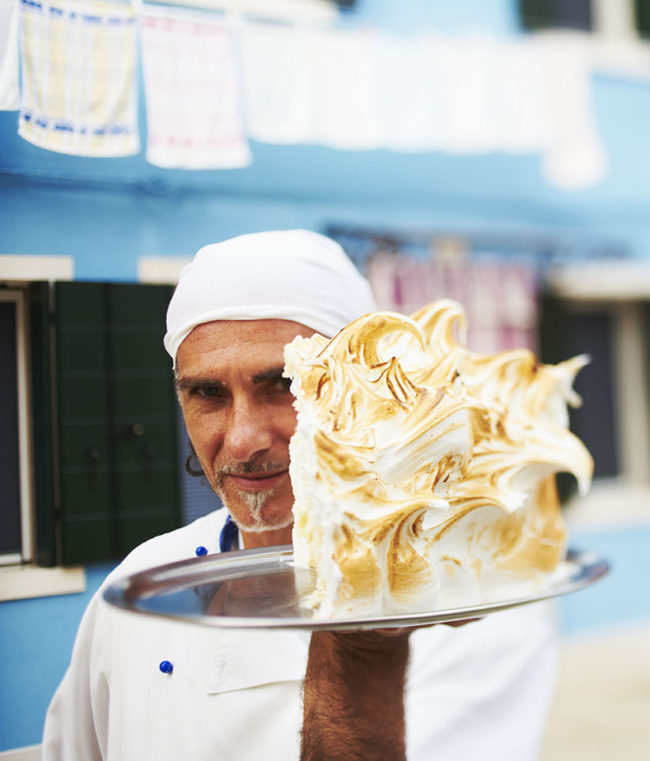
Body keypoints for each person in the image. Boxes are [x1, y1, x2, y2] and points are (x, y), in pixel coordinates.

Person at [43, 230, 558, 761]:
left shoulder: (472, 599)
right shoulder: (145, 582)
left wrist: (364, 639)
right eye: (207, 393)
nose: (242, 439)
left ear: (370, 395)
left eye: (285, 386)